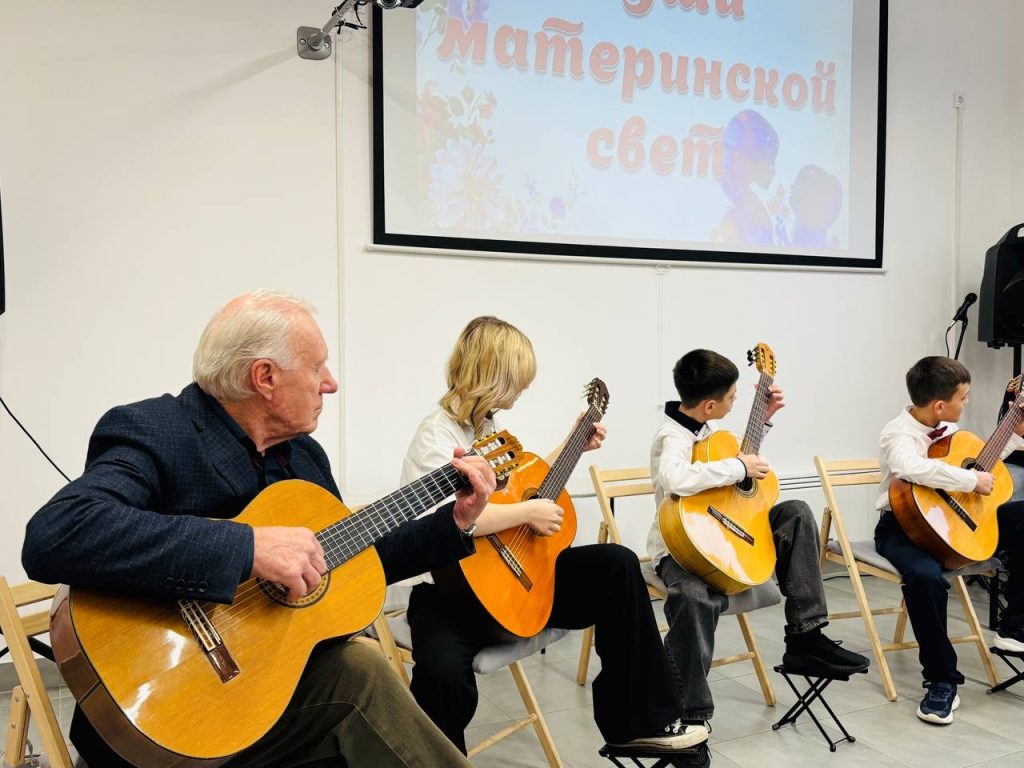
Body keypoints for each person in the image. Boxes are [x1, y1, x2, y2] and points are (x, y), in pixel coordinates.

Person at [21, 291, 496, 768]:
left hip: (269, 698)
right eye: (317, 368)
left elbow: (357, 558)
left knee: (357, 665)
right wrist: (247, 548)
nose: (330, 384)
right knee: (362, 671)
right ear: (265, 377)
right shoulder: (157, 430)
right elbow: (56, 534)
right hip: (165, 722)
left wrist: (457, 520)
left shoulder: (303, 457)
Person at [398, 316, 709, 759]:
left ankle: (637, 724)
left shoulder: (486, 428)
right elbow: (446, 521)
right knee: (442, 673)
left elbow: (524, 484)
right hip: (448, 593)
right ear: (494, 374)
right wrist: (527, 512)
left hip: (510, 583)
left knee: (617, 565)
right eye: (519, 379)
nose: (524, 389)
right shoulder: (436, 435)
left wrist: (572, 444)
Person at [649, 349, 868, 728]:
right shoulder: (672, 435)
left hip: (728, 531)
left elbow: (739, 462)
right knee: (693, 596)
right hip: (682, 549)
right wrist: (739, 466)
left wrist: (761, 420)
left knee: (796, 511)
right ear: (710, 405)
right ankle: (690, 715)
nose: (736, 401)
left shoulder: (711, 429)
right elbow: (675, 478)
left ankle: (806, 637)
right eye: (733, 397)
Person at [875, 356, 1024, 724]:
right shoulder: (898, 433)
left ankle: (1013, 627)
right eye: (964, 397)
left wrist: (1013, 434)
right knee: (925, 578)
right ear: (940, 405)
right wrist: (970, 481)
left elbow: (981, 463)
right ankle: (941, 680)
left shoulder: (949, 429)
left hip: (957, 521)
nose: (967, 402)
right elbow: (910, 468)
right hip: (906, 527)